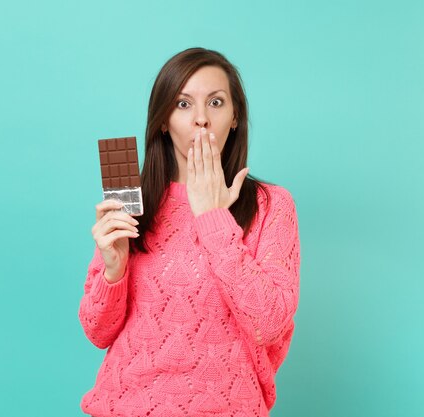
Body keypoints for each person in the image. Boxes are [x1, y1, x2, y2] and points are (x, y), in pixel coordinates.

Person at [79, 47, 300, 417]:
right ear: (164, 120)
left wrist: (212, 216)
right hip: (125, 406)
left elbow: (269, 324)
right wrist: (113, 272)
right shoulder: (133, 201)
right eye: (183, 105)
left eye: (216, 102)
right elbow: (97, 331)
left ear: (234, 118)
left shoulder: (271, 205)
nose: (201, 119)